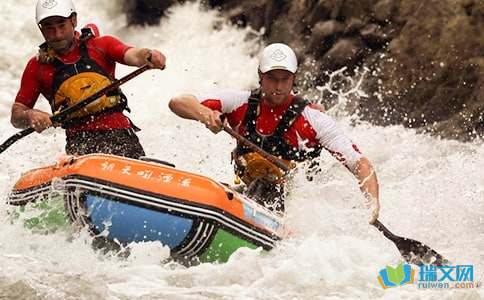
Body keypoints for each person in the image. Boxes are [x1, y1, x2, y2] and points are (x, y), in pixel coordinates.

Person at [168, 43, 380, 223]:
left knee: (266, 188)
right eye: (272, 78)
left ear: (294, 78)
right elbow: (178, 102)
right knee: (252, 188)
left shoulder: (313, 119)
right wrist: (204, 113)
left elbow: (359, 163)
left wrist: (372, 204)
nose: (278, 86)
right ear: (260, 76)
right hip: (248, 191)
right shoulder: (238, 102)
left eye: (285, 79)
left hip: (292, 204)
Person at [10, 0, 166, 159]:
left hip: (121, 136)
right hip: (79, 146)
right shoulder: (36, 67)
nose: (57, 34)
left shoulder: (102, 45)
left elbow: (132, 55)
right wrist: (30, 115)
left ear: (74, 20)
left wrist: (148, 55)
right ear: (41, 29)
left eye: (61, 25)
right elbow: (16, 116)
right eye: (49, 27)